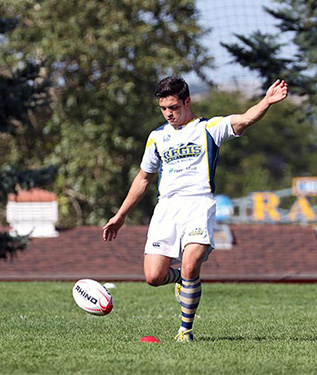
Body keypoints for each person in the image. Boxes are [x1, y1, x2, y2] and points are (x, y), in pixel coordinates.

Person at [102, 76, 288, 342]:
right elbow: (143, 178)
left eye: (174, 107)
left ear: (187, 102)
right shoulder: (157, 137)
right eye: (164, 108)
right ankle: (179, 279)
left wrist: (267, 101)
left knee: (191, 265)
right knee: (153, 277)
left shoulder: (209, 128)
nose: (168, 113)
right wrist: (120, 216)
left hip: (199, 204)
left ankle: (185, 330)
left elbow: (245, 118)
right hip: (166, 207)